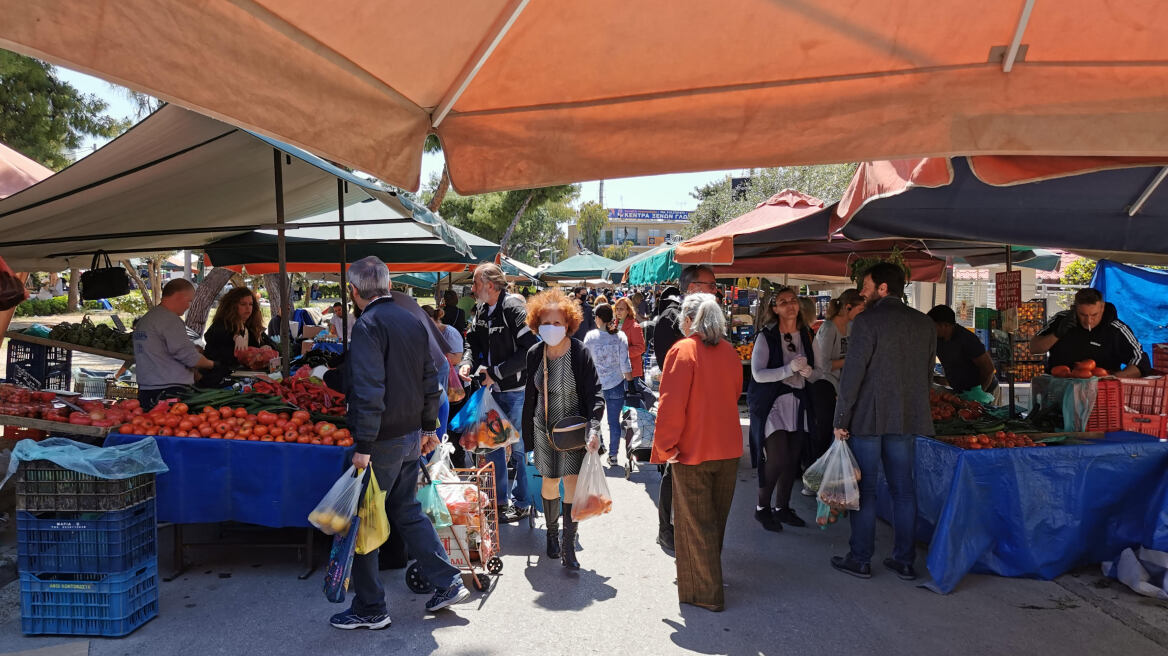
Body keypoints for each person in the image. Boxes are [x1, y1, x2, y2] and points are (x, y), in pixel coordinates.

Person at [330, 256, 469, 630]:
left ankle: (371, 606)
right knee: (405, 509)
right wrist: (428, 429)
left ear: (355, 291)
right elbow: (430, 379)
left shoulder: (368, 325)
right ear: (388, 287)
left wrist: (363, 443)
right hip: (409, 434)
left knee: (363, 518)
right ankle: (447, 580)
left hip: (384, 438)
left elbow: (368, 390)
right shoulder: (410, 319)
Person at [831, 263, 935, 581]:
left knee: (866, 489)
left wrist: (840, 418)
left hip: (868, 417)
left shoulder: (865, 322)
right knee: (904, 489)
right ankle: (904, 560)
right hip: (906, 415)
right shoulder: (924, 324)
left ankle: (861, 558)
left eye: (866, 285)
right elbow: (927, 374)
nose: (862, 291)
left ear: (883, 288)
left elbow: (853, 375)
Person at [652, 293, 743, 612]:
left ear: (689, 320)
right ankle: (708, 578)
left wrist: (665, 447)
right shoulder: (729, 351)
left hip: (692, 450)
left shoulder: (682, 350)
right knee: (714, 520)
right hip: (728, 447)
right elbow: (734, 393)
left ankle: (706, 592)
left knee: (695, 524)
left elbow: (670, 406)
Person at [521, 289, 604, 567]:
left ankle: (569, 545)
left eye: (558, 323)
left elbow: (595, 393)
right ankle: (551, 536)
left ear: (568, 324)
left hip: (574, 431)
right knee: (549, 482)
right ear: (537, 324)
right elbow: (529, 399)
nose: (552, 328)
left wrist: (594, 428)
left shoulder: (580, 352)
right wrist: (529, 442)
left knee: (570, 484)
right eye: (546, 322)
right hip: (544, 429)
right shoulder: (534, 353)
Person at [459, 263, 537, 523]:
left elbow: (531, 349)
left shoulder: (513, 309)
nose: (472, 289)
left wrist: (498, 372)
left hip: (515, 390)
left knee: (516, 448)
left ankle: (523, 502)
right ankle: (499, 501)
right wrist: (467, 361)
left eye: (475, 283)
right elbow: (471, 340)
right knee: (493, 446)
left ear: (489, 285)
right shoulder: (481, 310)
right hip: (490, 391)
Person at [652, 266, 717, 553]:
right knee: (673, 471)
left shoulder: (708, 319)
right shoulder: (671, 319)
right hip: (682, 410)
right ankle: (666, 530)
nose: (715, 290)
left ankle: (687, 526)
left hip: (702, 410)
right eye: (711, 285)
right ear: (692, 287)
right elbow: (672, 372)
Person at [747, 287, 815, 531]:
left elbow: (815, 369)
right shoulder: (766, 336)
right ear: (774, 309)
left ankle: (783, 507)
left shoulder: (805, 334)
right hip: (771, 403)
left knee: (792, 458)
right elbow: (757, 374)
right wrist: (789, 370)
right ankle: (762, 508)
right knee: (777, 457)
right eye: (783, 302)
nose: (790, 306)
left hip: (797, 401)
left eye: (793, 301)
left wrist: (809, 373)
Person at [805, 289, 865, 481]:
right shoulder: (829, 328)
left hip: (840, 386)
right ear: (848, 307)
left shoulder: (851, 327)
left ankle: (827, 476)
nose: (862, 313)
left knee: (834, 432)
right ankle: (813, 476)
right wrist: (850, 361)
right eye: (860, 308)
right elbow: (822, 364)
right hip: (823, 385)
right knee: (823, 432)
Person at [133, 279, 218, 409]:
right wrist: (213, 365)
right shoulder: (170, 320)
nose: (189, 306)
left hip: (146, 388)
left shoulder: (147, 319)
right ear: (178, 296)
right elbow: (188, 356)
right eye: (189, 301)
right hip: (168, 390)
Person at [1030, 287, 1148, 378]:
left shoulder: (1116, 329)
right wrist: (1057, 334)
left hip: (1101, 393)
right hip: (1058, 389)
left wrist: (1111, 379)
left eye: (1094, 315)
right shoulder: (1061, 319)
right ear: (1075, 308)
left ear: (1102, 308)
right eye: (1083, 315)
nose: (1088, 320)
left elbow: (1140, 361)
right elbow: (1034, 348)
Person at [584, 303, 633, 466]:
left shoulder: (590, 337)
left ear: (598, 318)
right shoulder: (620, 336)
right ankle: (613, 456)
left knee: (595, 419)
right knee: (614, 422)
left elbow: (586, 363)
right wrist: (631, 383)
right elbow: (625, 363)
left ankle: (601, 445)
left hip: (595, 385)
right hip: (616, 383)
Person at [200, 287, 268, 388]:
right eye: (243, 304)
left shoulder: (251, 327)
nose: (248, 308)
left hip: (240, 378)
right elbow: (211, 335)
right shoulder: (222, 323)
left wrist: (266, 346)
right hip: (217, 380)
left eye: (250, 304)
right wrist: (235, 336)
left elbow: (264, 342)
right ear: (232, 306)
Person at [926, 305, 997, 395]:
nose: (929, 329)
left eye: (932, 326)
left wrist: (979, 394)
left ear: (945, 325)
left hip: (986, 389)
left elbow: (989, 369)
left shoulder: (967, 339)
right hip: (961, 390)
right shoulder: (937, 339)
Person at [614, 296, 646, 380]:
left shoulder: (634, 326)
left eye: (621, 309)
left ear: (628, 311)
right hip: (618, 371)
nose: (618, 311)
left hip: (632, 371)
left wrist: (622, 353)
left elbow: (641, 348)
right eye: (617, 309)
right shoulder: (614, 325)